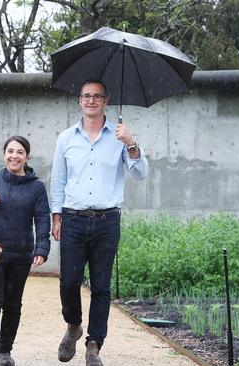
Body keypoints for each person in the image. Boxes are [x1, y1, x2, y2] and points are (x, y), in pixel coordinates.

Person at [50, 79, 149, 366]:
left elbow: (141, 173)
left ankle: (94, 344)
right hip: (73, 219)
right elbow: (58, 180)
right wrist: (57, 216)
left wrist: (131, 143)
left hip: (107, 221)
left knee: (102, 286)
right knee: (69, 282)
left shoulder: (119, 137)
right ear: (79, 101)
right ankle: (73, 325)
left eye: (97, 96)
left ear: (106, 101)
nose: (91, 101)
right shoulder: (66, 138)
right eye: (86, 96)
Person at [0, 135, 51, 366]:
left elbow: (42, 219)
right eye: (11, 151)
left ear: (27, 157)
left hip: (21, 254)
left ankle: (5, 352)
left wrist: (42, 247)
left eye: (20, 152)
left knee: (13, 304)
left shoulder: (36, 187)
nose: (15, 156)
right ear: (4, 153)